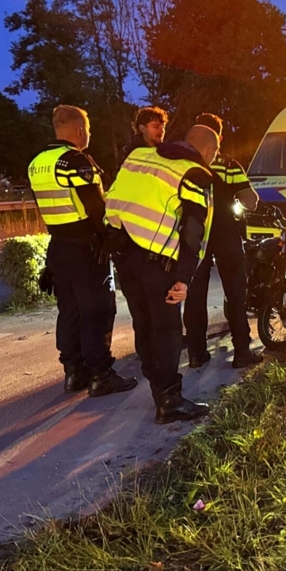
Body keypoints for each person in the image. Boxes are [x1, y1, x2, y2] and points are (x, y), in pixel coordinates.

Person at [105, 125, 217, 424]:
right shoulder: (194, 173)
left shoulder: (139, 155)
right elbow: (195, 232)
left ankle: (156, 385)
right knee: (167, 330)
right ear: (209, 151)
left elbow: (115, 198)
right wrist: (185, 277)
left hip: (124, 254)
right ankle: (169, 400)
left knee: (143, 322)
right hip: (158, 262)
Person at [27, 105, 137, 396]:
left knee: (70, 311)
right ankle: (102, 375)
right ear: (79, 130)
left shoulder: (37, 162)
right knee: (99, 310)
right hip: (87, 249)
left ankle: (74, 373)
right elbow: (95, 207)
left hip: (59, 246)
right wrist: (110, 239)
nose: (88, 134)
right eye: (88, 129)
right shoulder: (75, 160)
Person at [184, 113, 263, 368]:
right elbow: (250, 201)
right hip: (226, 234)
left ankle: (196, 352)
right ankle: (242, 352)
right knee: (236, 293)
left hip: (193, 237)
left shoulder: (179, 165)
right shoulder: (229, 165)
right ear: (219, 138)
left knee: (194, 295)